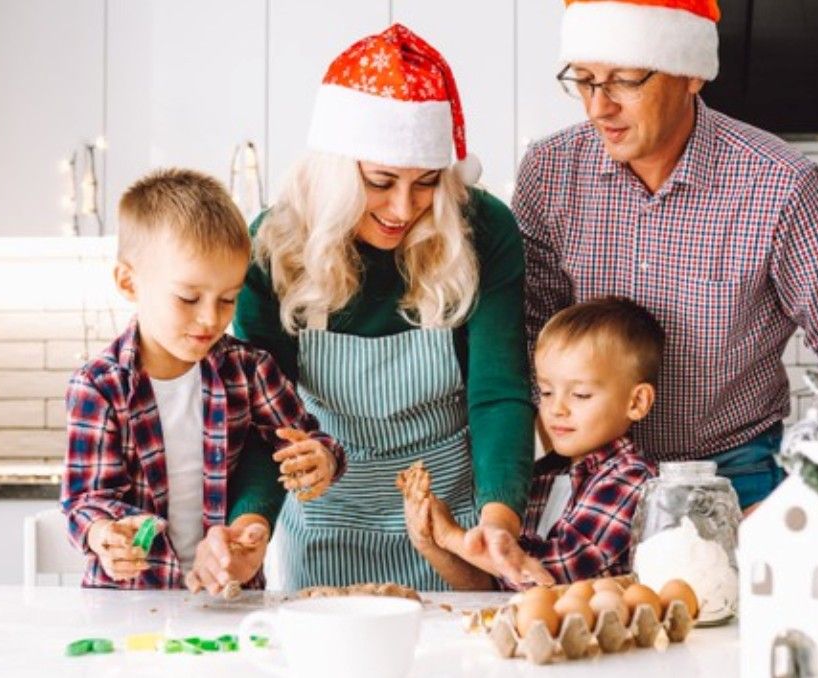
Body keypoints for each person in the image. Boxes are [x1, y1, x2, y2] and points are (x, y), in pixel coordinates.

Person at [233, 24, 551, 591]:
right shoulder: (273, 246)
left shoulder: (482, 229)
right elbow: (261, 418)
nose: (403, 208)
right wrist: (250, 522)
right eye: (380, 181)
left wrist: (497, 520)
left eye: (426, 182)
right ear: (335, 171)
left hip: (450, 525)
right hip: (326, 517)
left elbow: (498, 392)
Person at [515, 0, 818, 508]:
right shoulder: (550, 171)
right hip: (590, 481)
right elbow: (528, 323)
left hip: (735, 479)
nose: (597, 107)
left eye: (625, 80)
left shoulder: (782, 187)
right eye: (585, 79)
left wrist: (803, 489)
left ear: (692, 74)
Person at [61, 168, 345, 590]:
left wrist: (321, 460)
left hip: (228, 596)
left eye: (228, 299)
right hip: (130, 601)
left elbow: (309, 440)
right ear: (128, 281)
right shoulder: (100, 386)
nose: (211, 318)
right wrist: (103, 536)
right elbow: (85, 500)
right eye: (189, 298)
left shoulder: (249, 370)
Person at [403, 297, 661, 587]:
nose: (556, 409)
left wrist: (453, 537)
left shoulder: (632, 479)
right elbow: (489, 588)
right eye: (547, 392)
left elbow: (554, 576)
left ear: (637, 401)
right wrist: (431, 541)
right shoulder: (540, 477)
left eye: (581, 395)